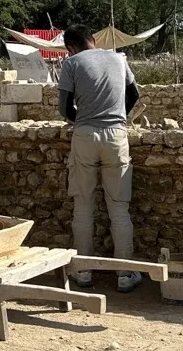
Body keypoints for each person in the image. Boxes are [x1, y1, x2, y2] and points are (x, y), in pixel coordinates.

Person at [58, 25, 142, 292]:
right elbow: (134, 94)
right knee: (119, 208)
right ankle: (125, 274)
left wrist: (81, 121)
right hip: (117, 135)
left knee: (83, 206)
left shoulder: (71, 63)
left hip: (84, 135)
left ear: (70, 48)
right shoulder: (119, 58)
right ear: (93, 40)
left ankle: (83, 272)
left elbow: (64, 107)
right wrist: (119, 117)